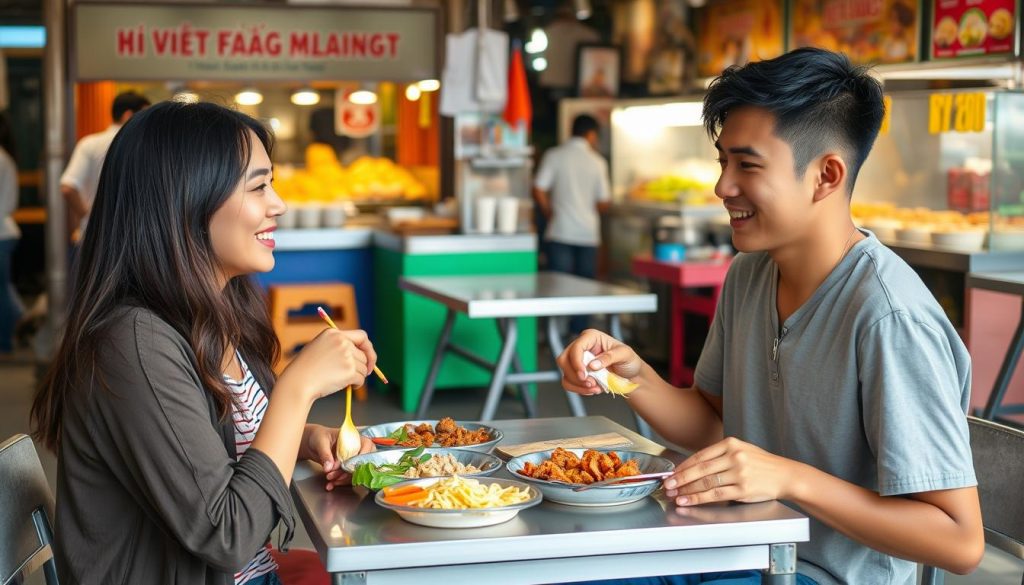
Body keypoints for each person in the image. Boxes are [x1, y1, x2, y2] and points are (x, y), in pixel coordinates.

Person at [556, 48, 983, 585]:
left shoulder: (889, 318)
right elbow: (712, 422)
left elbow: (960, 541)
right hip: (735, 548)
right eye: (722, 162)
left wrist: (788, 479)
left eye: (747, 165)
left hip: (816, 573)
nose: (722, 187)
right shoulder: (750, 274)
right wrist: (631, 378)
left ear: (826, 176)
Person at [31, 101, 377, 585]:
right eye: (258, 187)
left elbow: (209, 450)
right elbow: (227, 535)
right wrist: (296, 389)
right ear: (185, 203)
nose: (277, 204)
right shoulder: (135, 343)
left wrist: (304, 438)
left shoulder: (211, 313)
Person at [533, 113, 611, 333]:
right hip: (587, 233)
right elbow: (604, 202)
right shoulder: (597, 162)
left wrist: (550, 211)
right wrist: (587, 210)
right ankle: (580, 335)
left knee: (557, 286)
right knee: (585, 287)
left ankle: (554, 334)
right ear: (591, 134)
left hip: (559, 230)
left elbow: (538, 188)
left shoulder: (555, 156)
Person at [60, 90, 150, 239]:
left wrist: (87, 216)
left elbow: (68, 188)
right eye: (144, 115)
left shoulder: (89, 144)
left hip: (95, 233)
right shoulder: (144, 145)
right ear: (128, 115)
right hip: (135, 234)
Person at [0, 113, 22, 353]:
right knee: (4, 288)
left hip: (1, 234)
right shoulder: (5, 156)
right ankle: (24, 319)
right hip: (5, 232)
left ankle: (5, 342)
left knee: (2, 290)